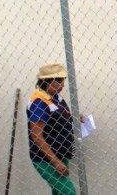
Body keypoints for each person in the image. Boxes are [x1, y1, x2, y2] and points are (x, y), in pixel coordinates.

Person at [27, 63, 78, 195]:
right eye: (58, 81)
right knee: (69, 192)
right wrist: (56, 162)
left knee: (59, 192)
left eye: (63, 80)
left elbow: (58, 116)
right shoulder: (39, 103)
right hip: (46, 159)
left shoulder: (55, 97)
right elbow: (36, 135)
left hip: (60, 153)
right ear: (46, 81)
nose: (62, 85)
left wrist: (75, 117)